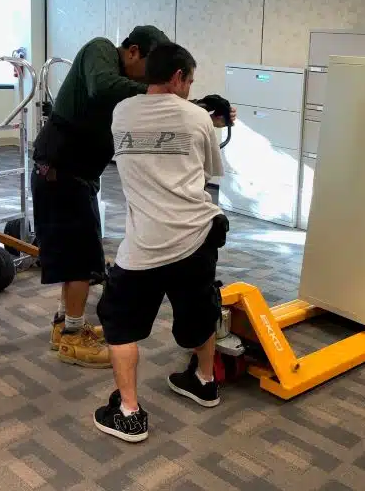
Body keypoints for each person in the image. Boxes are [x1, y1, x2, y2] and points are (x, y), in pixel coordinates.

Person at [32, 25, 234, 368]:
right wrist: (163, 92)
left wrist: (198, 111)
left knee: (75, 257)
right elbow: (105, 87)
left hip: (74, 174)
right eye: (152, 68)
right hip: (59, 170)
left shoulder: (128, 99)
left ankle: (66, 326)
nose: (152, 78)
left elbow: (159, 116)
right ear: (133, 51)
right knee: (81, 259)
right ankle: (72, 336)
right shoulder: (100, 51)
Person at [93, 42, 227, 443]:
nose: (189, 88)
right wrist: (208, 118)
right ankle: (205, 381)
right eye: (189, 80)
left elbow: (150, 131)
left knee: (119, 324)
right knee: (201, 308)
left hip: (145, 245)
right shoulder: (199, 118)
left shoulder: (121, 112)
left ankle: (130, 413)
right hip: (195, 234)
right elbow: (209, 172)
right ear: (177, 77)